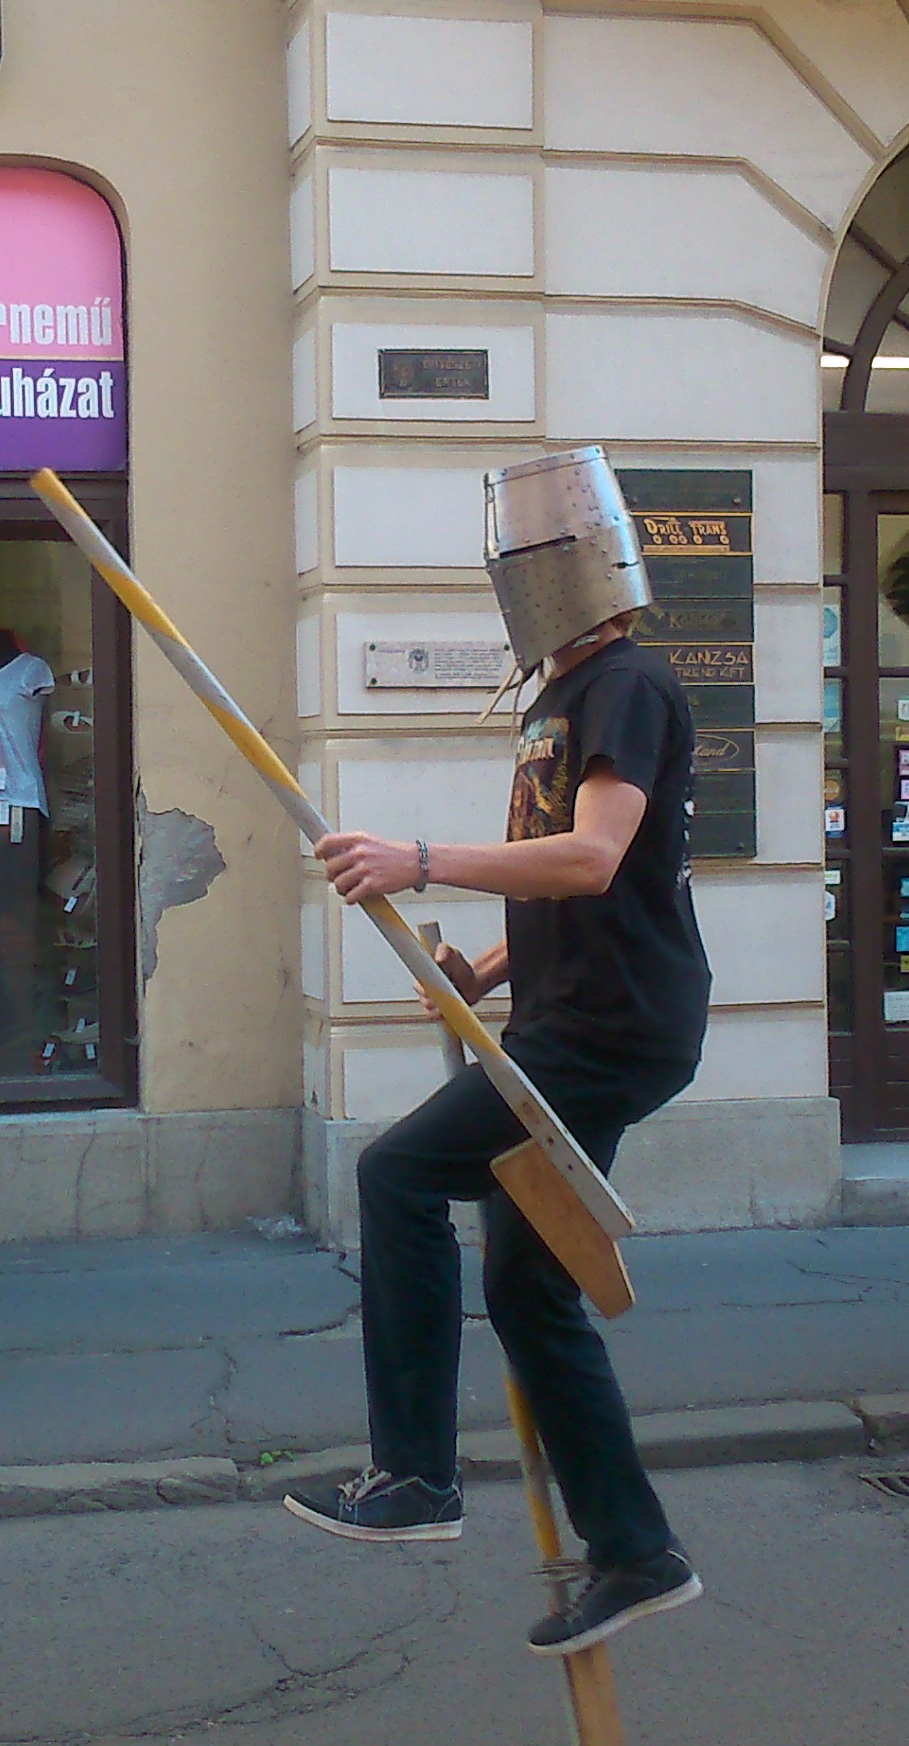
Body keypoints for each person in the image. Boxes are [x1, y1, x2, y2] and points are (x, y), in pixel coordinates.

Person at [282, 447, 708, 1658]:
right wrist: (487, 968)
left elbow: (593, 859)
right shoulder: (558, 699)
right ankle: (635, 1553)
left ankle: (415, 1476)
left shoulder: (625, 684)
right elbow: (570, 891)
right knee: (527, 1291)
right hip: (568, 1016)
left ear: (572, 566)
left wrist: (417, 860)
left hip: (608, 1032)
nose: (513, 581)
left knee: (396, 1175)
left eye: (526, 560)